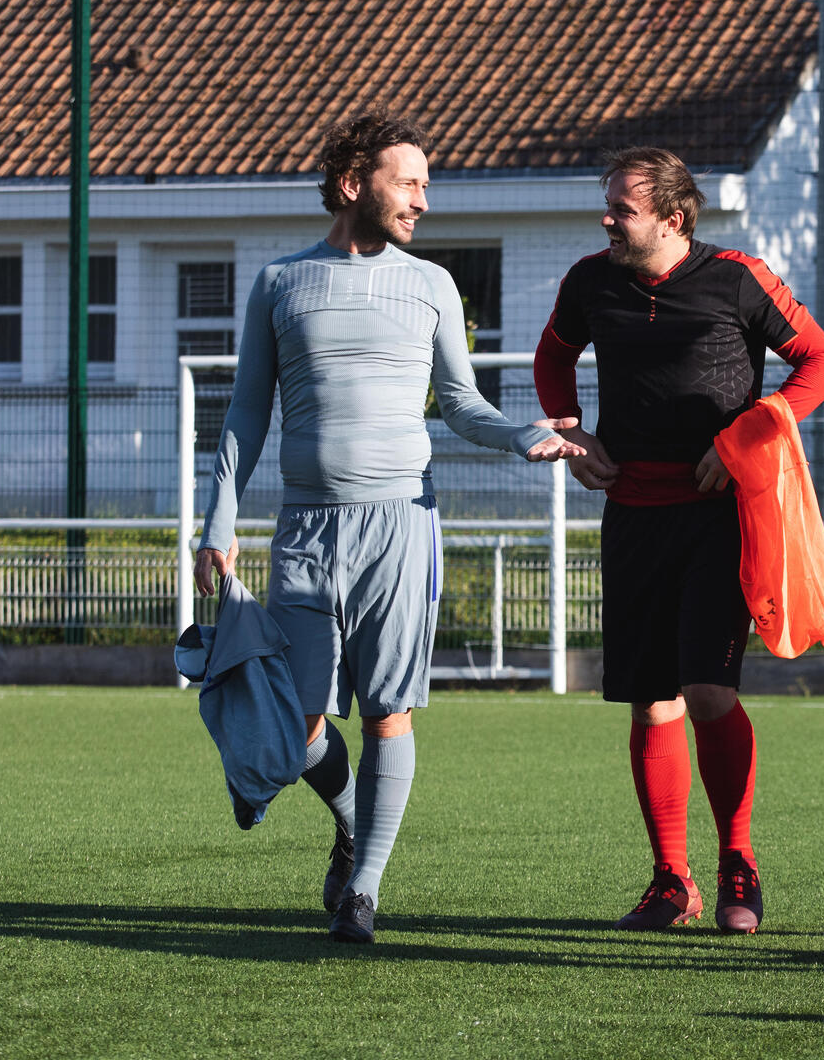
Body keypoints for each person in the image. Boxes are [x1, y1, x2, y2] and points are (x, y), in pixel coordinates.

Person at [195, 111, 585, 943]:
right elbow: (243, 415)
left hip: (401, 528)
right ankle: (348, 821)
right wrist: (216, 525)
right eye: (409, 182)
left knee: (387, 713)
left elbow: (462, 404)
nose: (423, 201)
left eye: (426, 185)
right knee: (296, 721)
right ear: (352, 182)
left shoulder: (432, 284)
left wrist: (525, 434)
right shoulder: (278, 283)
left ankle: (364, 891)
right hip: (303, 530)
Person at [533, 147, 824, 935]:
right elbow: (553, 354)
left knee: (709, 693)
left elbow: (819, 363)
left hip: (718, 517)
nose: (606, 219)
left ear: (672, 218)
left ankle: (738, 863)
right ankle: (673, 880)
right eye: (607, 204)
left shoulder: (737, 276)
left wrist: (750, 431)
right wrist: (572, 434)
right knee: (652, 702)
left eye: (621, 209)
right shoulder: (590, 281)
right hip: (632, 512)